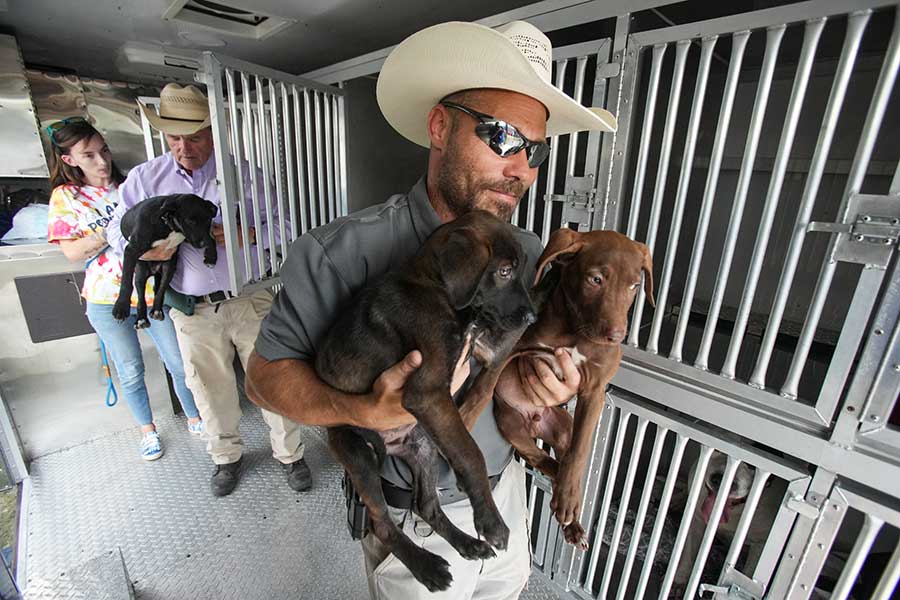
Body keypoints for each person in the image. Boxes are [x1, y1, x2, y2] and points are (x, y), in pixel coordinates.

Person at [246, 20, 616, 599]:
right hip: (413, 509)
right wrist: (362, 411)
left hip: (504, 496)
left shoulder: (526, 254)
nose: (522, 168)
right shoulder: (341, 251)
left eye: (535, 149)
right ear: (441, 126)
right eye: (502, 136)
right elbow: (265, 383)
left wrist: (539, 387)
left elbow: (512, 366)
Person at [105, 84, 308, 497]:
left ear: (213, 132)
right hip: (192, 308)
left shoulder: (244, 174)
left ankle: (291, 454)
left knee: (275, 378)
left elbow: (287, 226)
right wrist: (149, 250)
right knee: (207, 386)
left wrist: (242, 232)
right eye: (175, 138)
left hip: (252, 296)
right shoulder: (146, 179)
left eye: (195, 137)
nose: (184, 147)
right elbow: (113, 230)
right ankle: (226, 459)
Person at [45, 117, 202, 461]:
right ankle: (148, 431)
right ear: (70, 160)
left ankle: (195, 417)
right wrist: (116, 229)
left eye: (104, 151)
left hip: (153, 293)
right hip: (106, 298)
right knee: (130, 369)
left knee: (179, 361)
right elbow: (72, 252)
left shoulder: (133, 183)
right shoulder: (67, 197)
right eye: (89, 155)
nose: (102, 162)